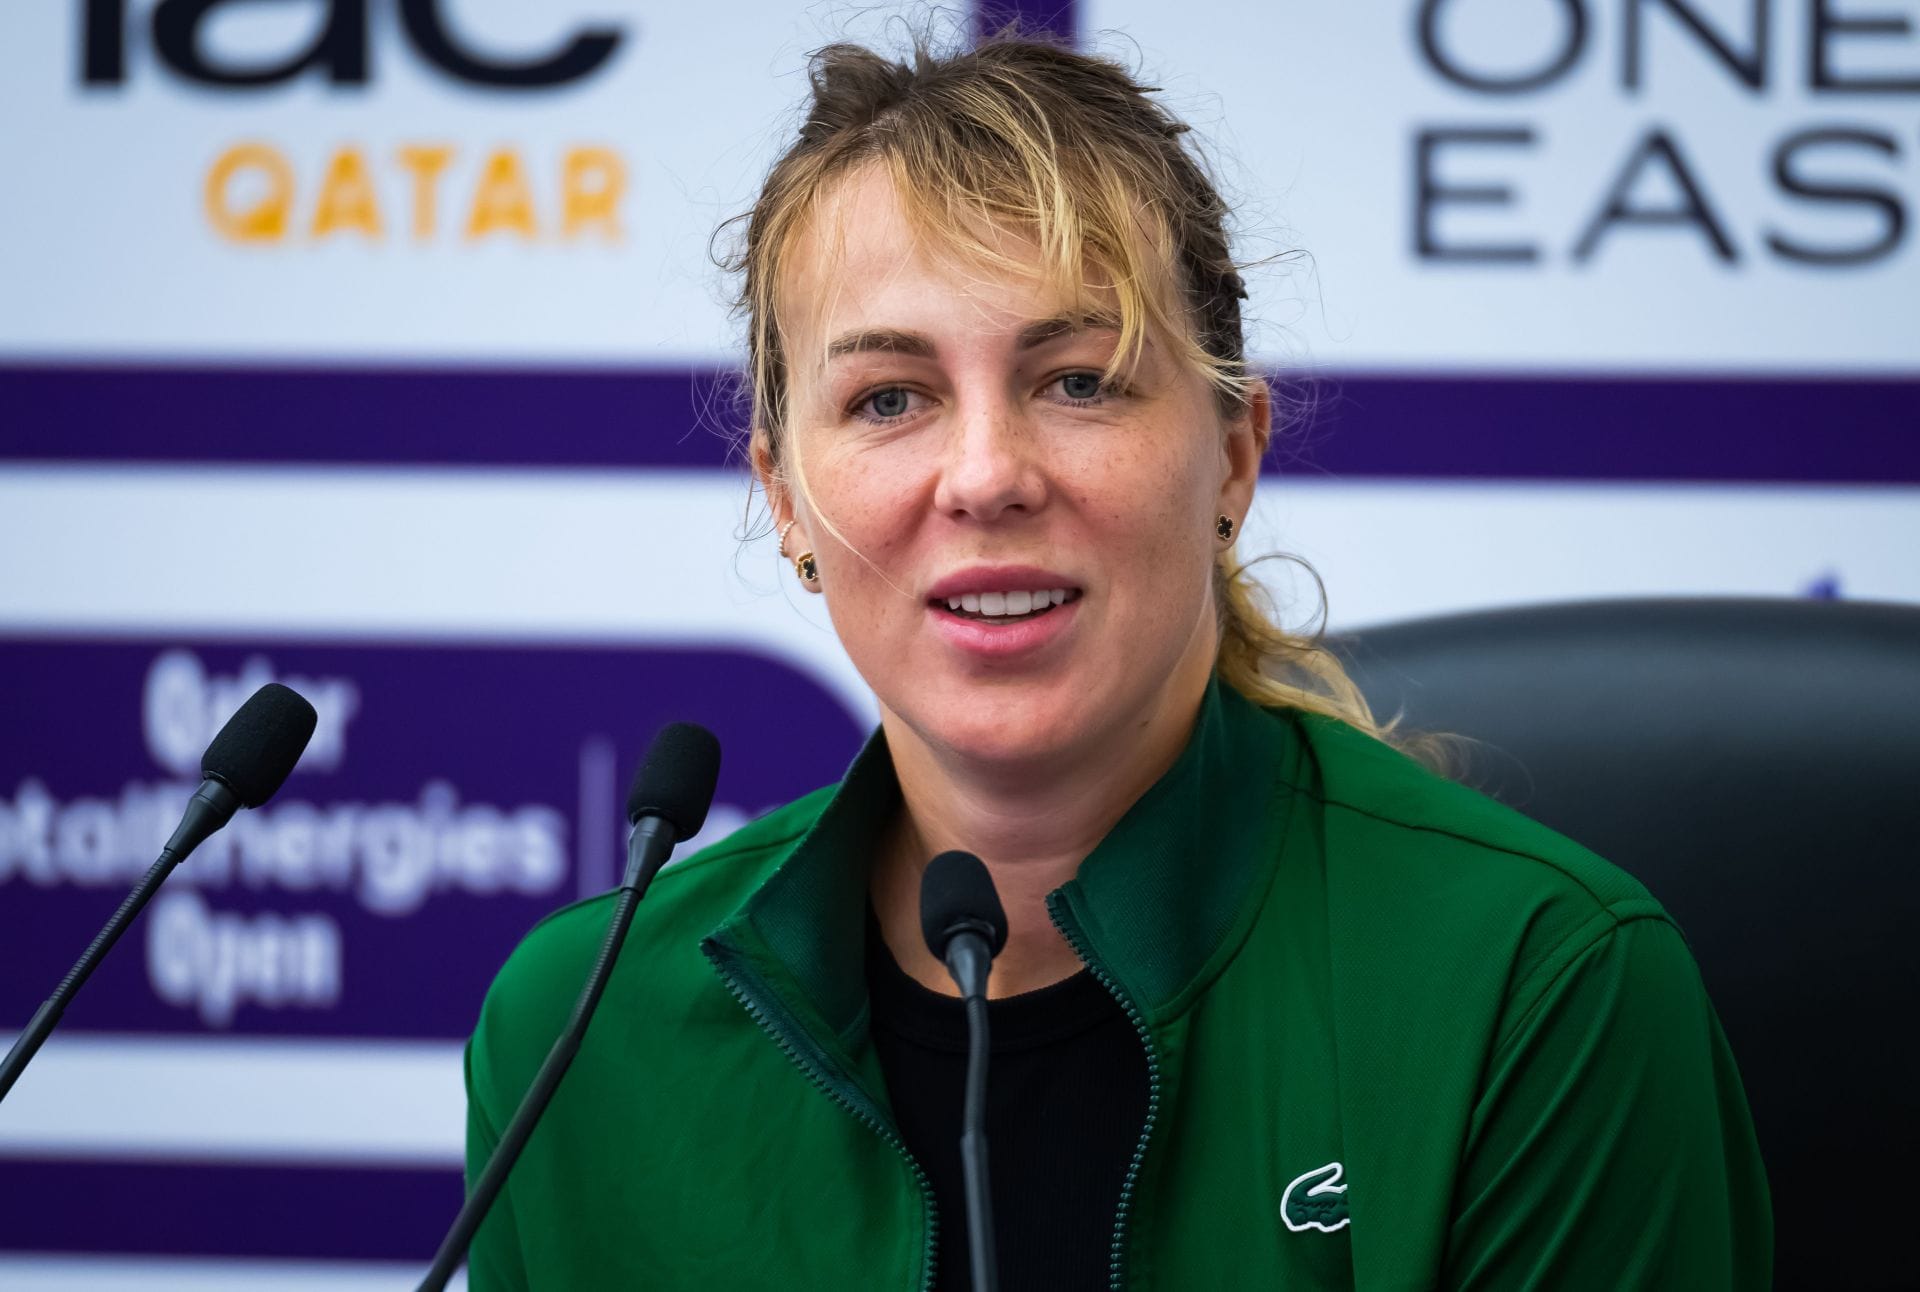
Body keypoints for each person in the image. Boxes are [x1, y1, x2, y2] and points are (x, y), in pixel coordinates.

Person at [463, 33, 1771, 1290]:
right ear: (788, 500)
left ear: (1235, 458)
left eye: (1079, 380)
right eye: (888, 398)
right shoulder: (578, 1030)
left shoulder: (1541, 984)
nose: (985, 477)